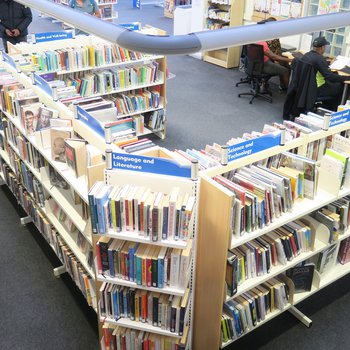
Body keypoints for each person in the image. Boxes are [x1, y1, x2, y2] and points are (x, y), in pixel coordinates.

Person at [302, 36, 350, 110]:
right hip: (317, 88)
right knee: (344, 87)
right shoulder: (320, 59)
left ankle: (327, 106)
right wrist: (347, 78)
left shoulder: (306, 56)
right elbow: (330, 77)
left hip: (306, 86)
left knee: (334, 84)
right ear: (322, 48)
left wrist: (327, 63)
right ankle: (334, 109)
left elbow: (317, 65)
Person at [257, 18, 293, 91]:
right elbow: (273, 56)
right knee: (285, 71)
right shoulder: (263, 43)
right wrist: (291, 59)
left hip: (256, 63)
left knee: (284, 63)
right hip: (264, 64)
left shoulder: (254, 37)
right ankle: (288, 91)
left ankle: (283, 85)